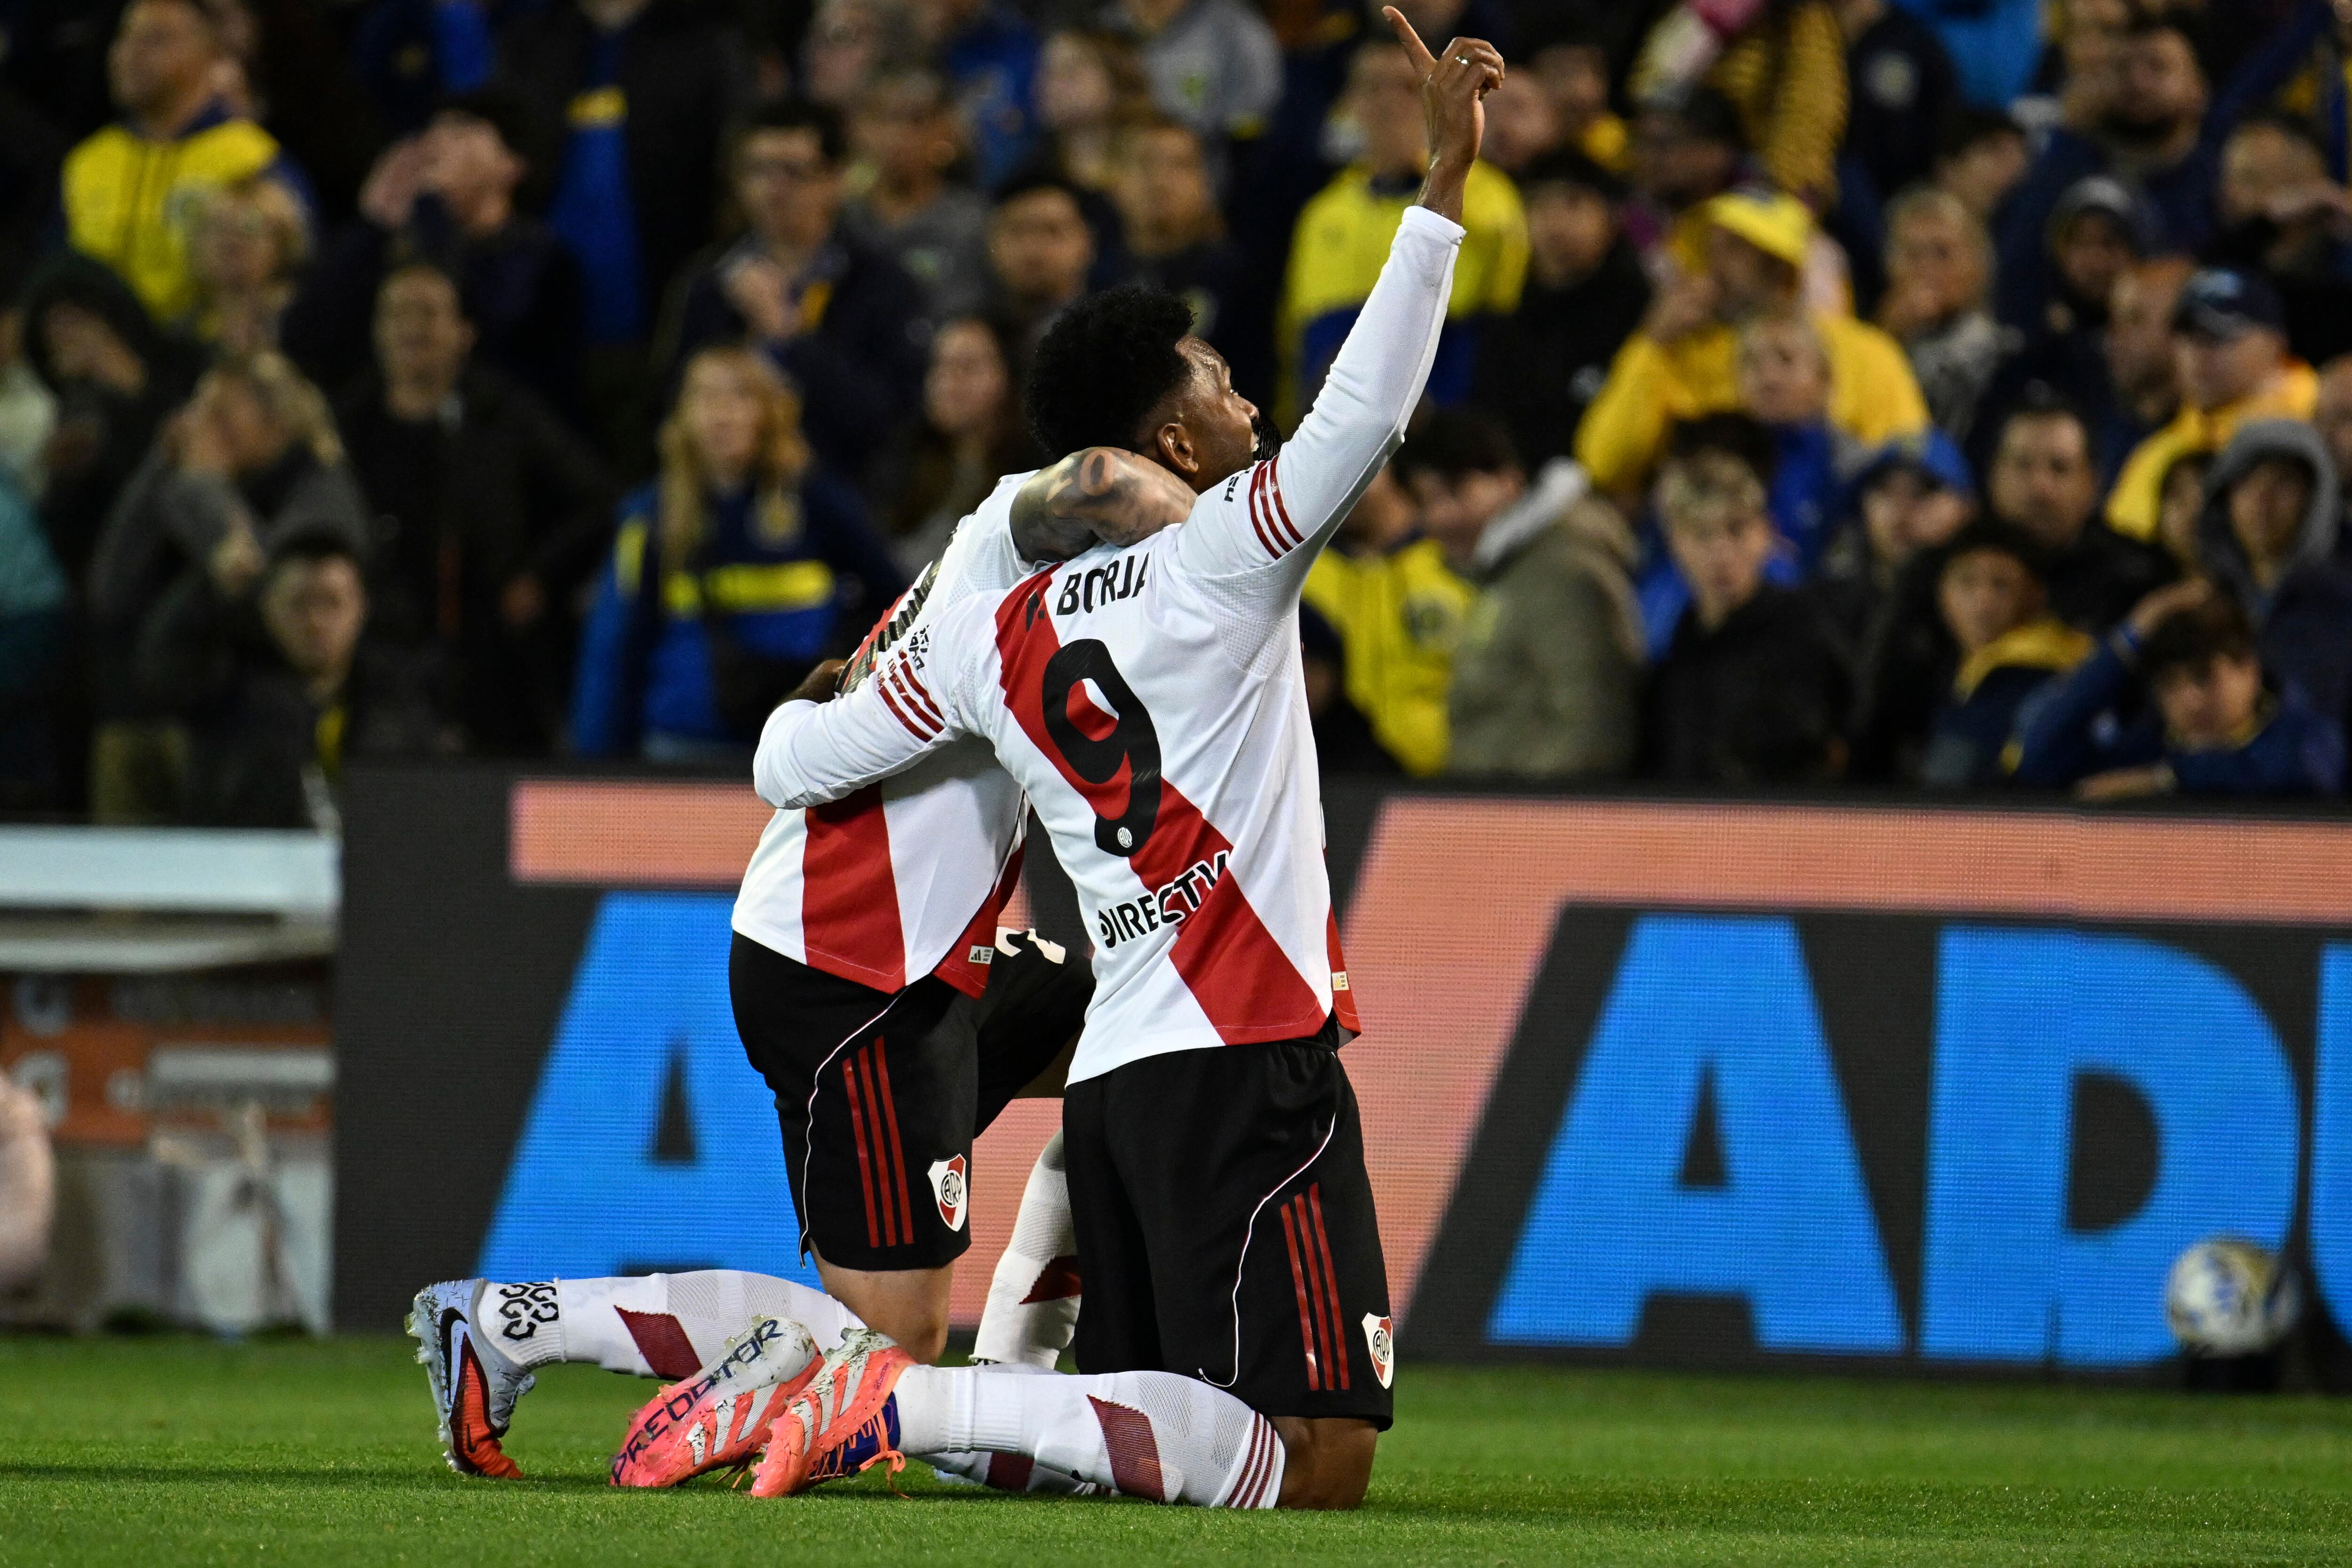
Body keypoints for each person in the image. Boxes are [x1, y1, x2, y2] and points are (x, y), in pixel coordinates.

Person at [671, 11, 1504, 1512]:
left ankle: (926, 1398)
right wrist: (1438, 187)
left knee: (1171, 1438)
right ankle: (900, 1404)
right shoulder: (1229, 561)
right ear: (1168, 441)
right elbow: (1370, 404)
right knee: (1316, 1464)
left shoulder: (988, 638)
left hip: (1119, 1071)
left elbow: (795, 762)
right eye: (1217, 384)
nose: (1247, 404)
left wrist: (816, 697)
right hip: (1242, 1047)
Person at [571, 347, 905, 762]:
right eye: (706, 397)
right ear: (683, 416)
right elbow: (615, 645)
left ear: (768, 412)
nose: (722, 414)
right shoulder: (652, 516)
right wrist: (594, 765)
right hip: (685, 744)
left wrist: (844, 668)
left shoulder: (816, 500)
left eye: (740, 397)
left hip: (801, 743)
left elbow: (897, 599)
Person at [335, 263, 615, 756]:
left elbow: (597, 501)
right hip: (378, 652)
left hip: (490, 652)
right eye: (397, 313)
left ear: (464, 334)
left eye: (428, 313)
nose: (412, 327)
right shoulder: (348, 425)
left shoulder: (502, 412)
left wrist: (538, 575)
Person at [86, 352, 370, 822]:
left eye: (220, 412)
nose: (201, 425)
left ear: (274, 419)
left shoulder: (319, 487)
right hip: (160, 704)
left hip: (256, 725)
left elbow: (268, 584)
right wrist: (162, 465)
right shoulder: (194, 482)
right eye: (198, 410)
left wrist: (203, 490)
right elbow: (113, 588)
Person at [493, 0, 751, 456]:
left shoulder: (706, 46)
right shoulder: (529, 43)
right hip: (536, 338)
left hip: (656, 328)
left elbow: (731, 183)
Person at [1574, 185, 1927, 503]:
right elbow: (1604, 464)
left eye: (1735, 249)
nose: (1714, 263)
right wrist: (1651, 344)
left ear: (1780, 270)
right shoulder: (1675, 351)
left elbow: (1909, 461)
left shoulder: (1864, 351)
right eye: (1711, 246)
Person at [657, 99, 932, 482]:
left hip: (843, 489)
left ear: (836, 179)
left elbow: (889, 421)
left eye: (793, 171)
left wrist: (789, 338)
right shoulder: (710, 282)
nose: (775, 188)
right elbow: (673, 403)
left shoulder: (882, 284)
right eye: (759, 170)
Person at [284, 89, 583, 417]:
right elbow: (306, 337)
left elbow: (486, 337)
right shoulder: (394, 245)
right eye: (433, 130)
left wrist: (431, 211)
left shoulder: (540, 259)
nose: (435, 143)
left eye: (460, 130)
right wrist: (374, 226)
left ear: (511, 164)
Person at [1277, 34, 1525, 423]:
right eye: (1373, 87)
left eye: (1408, 89)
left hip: (1445, 431)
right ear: (1351, 103)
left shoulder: (1489, 198)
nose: (1389, 104)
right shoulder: (1322, 214)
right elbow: (1294, 346)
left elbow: (1501, 330)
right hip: (1331, 431)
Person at [134, 529, 443, 828]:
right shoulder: (227, 688)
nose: (316, 622)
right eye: (299, 603)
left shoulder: (396, 697)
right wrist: (206, 584)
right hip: (250, 867)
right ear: (267, 606)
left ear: (362, 608)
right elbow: (158, 670)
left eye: (332, 602)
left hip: (370, 870)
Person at [1396, 409, 1642, 780]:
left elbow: (1592, 725)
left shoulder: (1563, 571)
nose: (1439, 518)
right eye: (1426, 501)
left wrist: (1514, 819)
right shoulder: (1509, 573)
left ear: (1510, 481)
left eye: (1454, 493)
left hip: (1531, 828)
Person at [63, 0, 305, 327]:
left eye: (156, 39)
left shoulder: (251, 159)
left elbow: (292, 285)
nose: (130, 53)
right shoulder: (88, 161)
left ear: (210, 55)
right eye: (124, 37)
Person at [1641, 415, 1851, 783]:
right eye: (1702, 535)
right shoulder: (1683, 639)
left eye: (1736, 529)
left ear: (1764, 534)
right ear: (1676, 544)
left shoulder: (1804, 629)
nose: (1721, 552)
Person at [2014, 581, 2345, 798]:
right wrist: (2126, 642)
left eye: (2204, 677)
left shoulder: (2306, 736)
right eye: (2169, 685)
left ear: (2248, 668)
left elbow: (2300, 777)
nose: (2190, 700)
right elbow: (2040, 760)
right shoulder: (2145, 747)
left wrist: (2166, 780)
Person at [2108, 267, 2319, 543]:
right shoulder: (2156, 456)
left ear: (2275, 343)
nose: (2199, 353)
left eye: (2219, 335)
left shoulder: (2322, 421)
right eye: (2188, 336)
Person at [1469, 149, 1649, 471]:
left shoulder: (1641, 308)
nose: (1556, 223)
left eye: (1574, 204)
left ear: (1610, 218)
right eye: (1539, 205)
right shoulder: (1505, 308)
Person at [1300, 462, 1471, 777]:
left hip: (1460, 777)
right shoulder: (1303, 574)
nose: (1338, 486)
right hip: (1339, 781)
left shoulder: (1453, 559)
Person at [2193, 418, 2352, 728]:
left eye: (2284, 482)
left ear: (2316, 499)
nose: (2262, 499)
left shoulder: (2340, 603)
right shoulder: (2208, 600)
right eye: (2246, 481)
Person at [1916, 521, 2091, 788]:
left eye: (2001, 585)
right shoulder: (1940, 663)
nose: (1983, 602)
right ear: (1941, 591)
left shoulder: (2031, 671)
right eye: (1967, 582)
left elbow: (1946, 784)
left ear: (2036, 595)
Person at [1986, 395, 2176, 634]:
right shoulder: (1947, 571)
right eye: (2023, 465)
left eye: (2060, 468)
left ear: (2092, 485)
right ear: (1993, 477)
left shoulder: (2138, 580)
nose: (2040, 487)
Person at [869, 316, 1040, 573]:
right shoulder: (904, 461)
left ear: (1009, 376)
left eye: (966, 367)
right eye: (940, 366)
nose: (947, 383)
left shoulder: (1033, 479)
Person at [1110, 119, 1257, 397]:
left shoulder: (1237, 279)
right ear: (1115, 181)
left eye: (1180, 165)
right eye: (1146, 163)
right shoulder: (1094, 277)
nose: (1161, 179)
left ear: (1206, 184)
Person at [842, 69, 992, 322]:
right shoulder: (841, 218)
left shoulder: (974, 222)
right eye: (884, 118)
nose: (898, 135)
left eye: (916, 121)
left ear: (945, 132)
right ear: (860, 130)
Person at [1877, 188, 2007, 442]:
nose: (1927, 268)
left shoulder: (2002, 356)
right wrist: (1885, 337)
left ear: (1977, 264)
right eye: (1913, 254)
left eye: (1942, 252)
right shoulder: (1873, 341)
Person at [1105, 0, 1282, 173]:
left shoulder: (1231, 24)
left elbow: (1257, 107)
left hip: (1209, 169)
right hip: (1118, 166)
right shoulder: (1109, 21)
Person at [983, 172, 1099, 375]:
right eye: (1018, 231)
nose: (1033, 248)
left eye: (1051, 231)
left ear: (1087, 242)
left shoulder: (1107, 340)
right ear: (992, 242)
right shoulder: (970, 338)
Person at [181, 175, 308, 355]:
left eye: (250, 228)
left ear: (282, 244)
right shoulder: (185, 329)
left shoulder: (305, 321)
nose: (230, 242)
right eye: (219, 227)